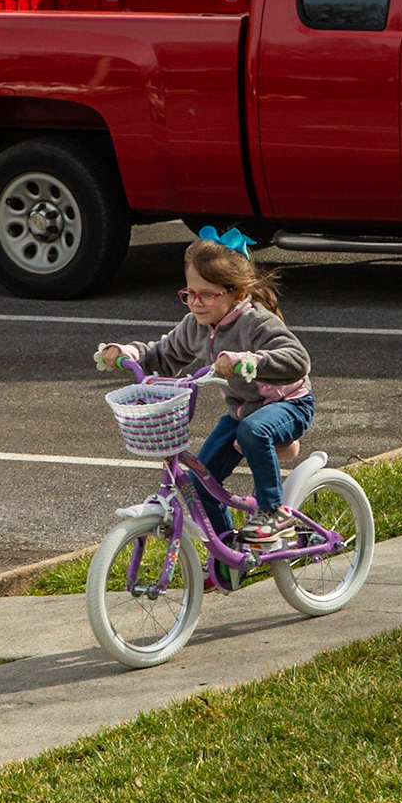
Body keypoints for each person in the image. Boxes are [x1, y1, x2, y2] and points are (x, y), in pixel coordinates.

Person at [95, 235, 314, 571]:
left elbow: (297, 360)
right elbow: (163, 355)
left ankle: (273, 513)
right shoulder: (196, 325)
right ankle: (228, 557)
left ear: (237, 293)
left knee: (255, 430)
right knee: (200, 482)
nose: (197, 303)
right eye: (190, 293)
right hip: (242, 411)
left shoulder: (256, 321)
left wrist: (249, 360)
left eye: (208, 294)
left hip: (289, 405)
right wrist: (127, 353)